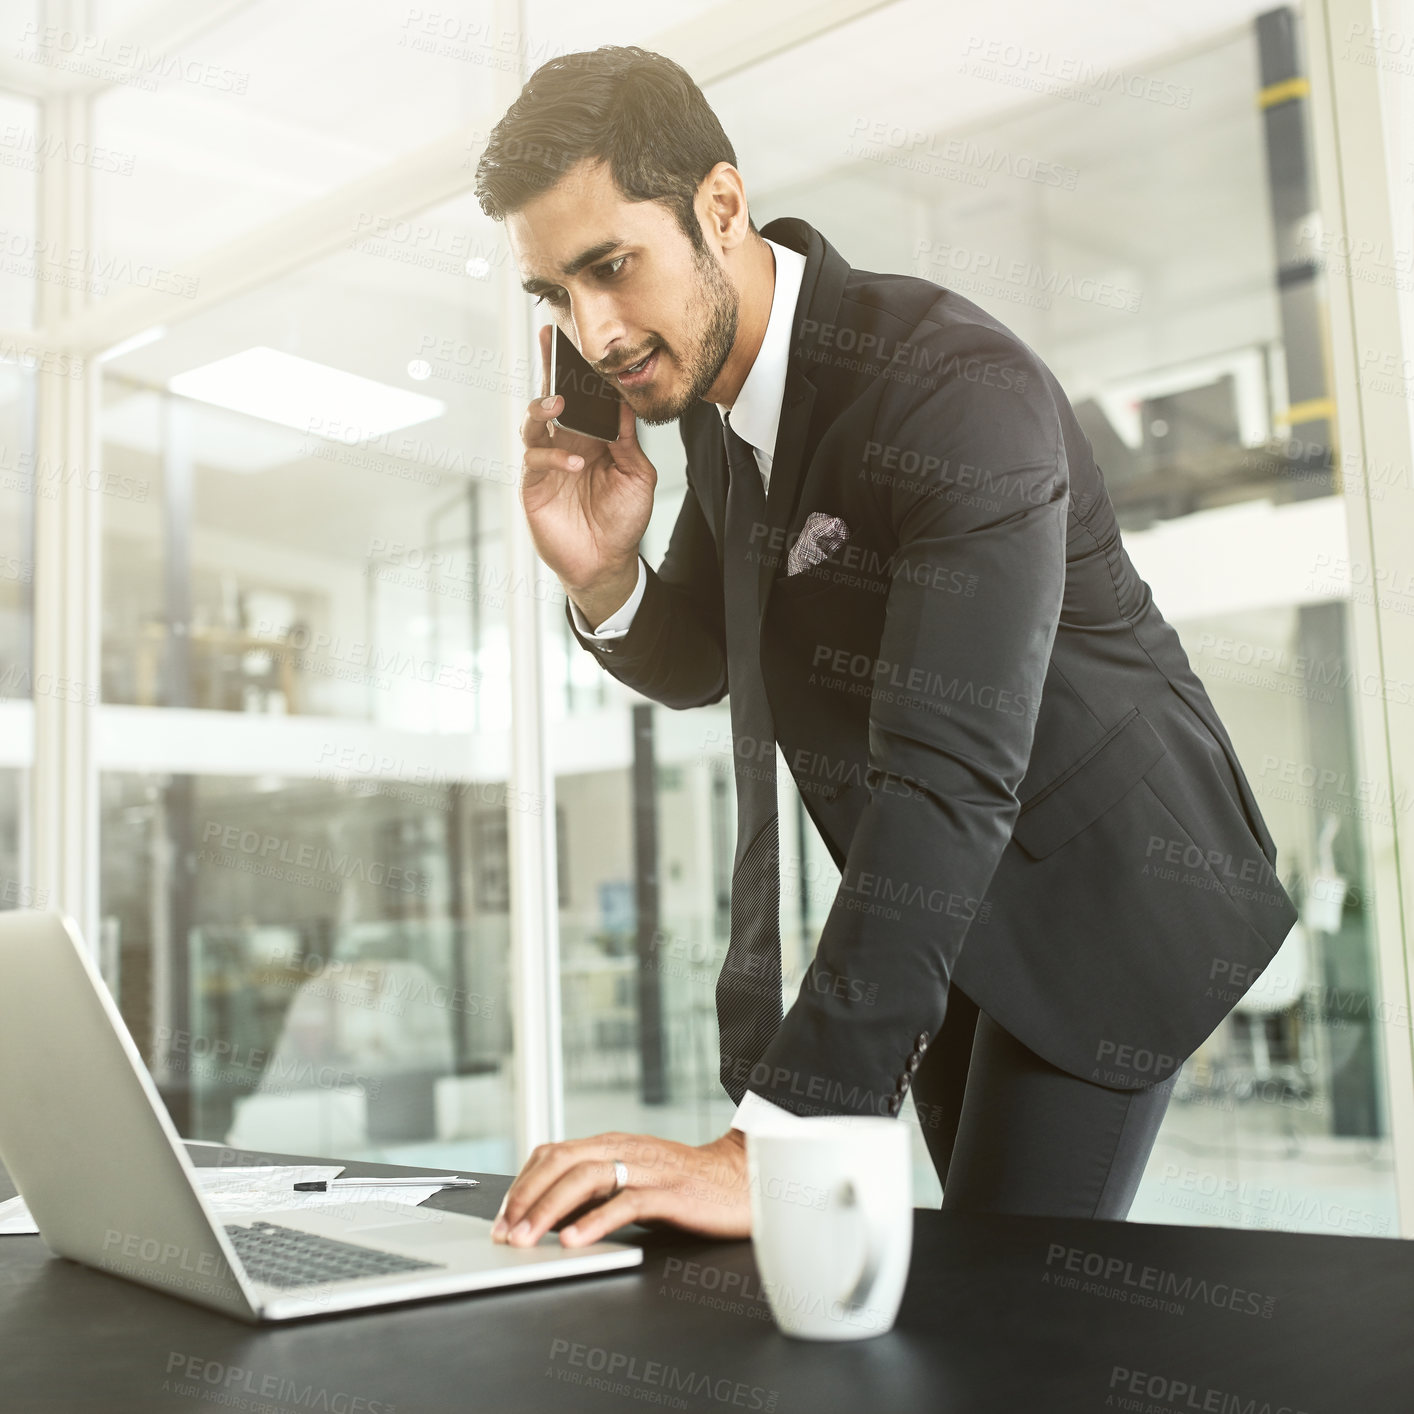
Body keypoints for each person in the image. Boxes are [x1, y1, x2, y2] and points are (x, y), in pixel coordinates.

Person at [471, 45, 1298, 1251]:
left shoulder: (954, 390)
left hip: (1108, 888)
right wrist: (602, 572)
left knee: (1006, 1292)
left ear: (720, 207)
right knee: (968, 1275)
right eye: (555, 294)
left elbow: (948, 766)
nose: (592, 331)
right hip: (940, 902)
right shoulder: (718, 404)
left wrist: (774, 1140)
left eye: (610, 267)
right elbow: (713, 657)